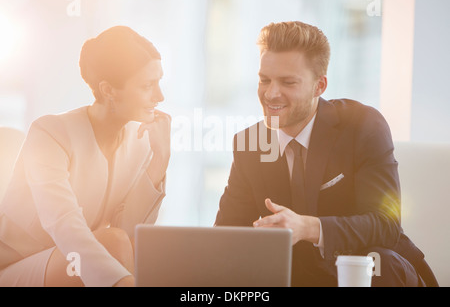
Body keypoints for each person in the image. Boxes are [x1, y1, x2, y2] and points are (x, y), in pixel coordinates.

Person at [215, 21, 438, 287]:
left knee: (381, 262)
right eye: (265, 80)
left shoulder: (362, 125)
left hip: (373, 273)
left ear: (319, 86)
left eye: (287, 82)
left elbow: (386, 225)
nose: (271, 93)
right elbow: (225, 237)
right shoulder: (250, 142)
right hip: (298, 279)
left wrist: (307, 228)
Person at [0, 26, 171, 287]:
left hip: (73, 262)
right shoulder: (49, 133)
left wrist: (160, 160)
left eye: (159, 83)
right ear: (108, 90)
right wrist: (121, 283)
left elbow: (126, 232)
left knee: (122, 243)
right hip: (14, 266)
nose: (160, 97)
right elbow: (65, 226)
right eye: (148, 85)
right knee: (111, 245)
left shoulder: (140, 144)